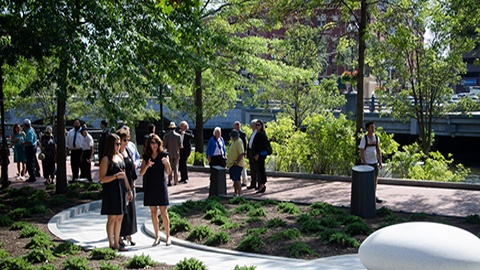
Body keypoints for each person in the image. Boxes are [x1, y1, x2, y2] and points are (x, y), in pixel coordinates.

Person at [99, 134, 133, 251]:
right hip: (111, 190)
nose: (119, 146)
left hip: (121, 189)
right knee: (112, 217)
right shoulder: (106, 159)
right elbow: (102, 178)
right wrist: (115, 176)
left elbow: (124, 176)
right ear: (110, 144)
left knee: (120, 216)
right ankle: (111, 243)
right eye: (116, 144)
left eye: (119, 144)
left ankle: (118, 242)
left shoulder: (120, 156)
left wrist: (129, 189)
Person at [139, 134, 172, 246]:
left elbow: (168, 172)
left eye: (156, 142)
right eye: (152, 143)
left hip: (161, 185)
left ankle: (168, 236)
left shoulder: (164, 155)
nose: (154, 145)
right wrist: (147, 165)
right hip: (150, 186)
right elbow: (141, 173)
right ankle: (157, 236)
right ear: (149, 144)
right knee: (153, 212)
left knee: (163, 212)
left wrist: (167, 164)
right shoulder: (146, 157)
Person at [116, 128, 138, 247]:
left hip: (130, 182)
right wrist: (128, 188)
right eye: (124, 140)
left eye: (127, 139)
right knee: (122, 211)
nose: (126, 142)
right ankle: (119, 236)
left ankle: (128, 234)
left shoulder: (128, 152)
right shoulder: (117, 154)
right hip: (121, 185)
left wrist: (133, 181)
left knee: (130, 211)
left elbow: (131, 169)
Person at [359, 121, 383, 203]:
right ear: (367, 129)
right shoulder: (364, 138)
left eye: (374, 127)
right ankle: (365, 196)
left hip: (374, 162)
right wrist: (364, 162)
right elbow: (361, 151)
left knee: (375, 180)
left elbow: (378, 149)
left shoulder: (376, 137)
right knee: (366, 181)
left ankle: (373, 196)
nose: (373, 129)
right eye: (371, 127)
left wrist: (380, 161)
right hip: (367, 163)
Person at [251, 120, 269, 194]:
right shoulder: (257, 134)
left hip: (261, 155)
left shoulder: (261, 134)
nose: (257, 126)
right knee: (259, 169)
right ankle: (261, 185)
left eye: (259, 125)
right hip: (257, 154)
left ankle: (262, 185)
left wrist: (257, 154)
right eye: (256, 125)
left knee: (261, 169)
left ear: (262, 126)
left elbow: (260, 146)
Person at [226, 130, 245, 196]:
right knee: (234, 179)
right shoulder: (234, 142)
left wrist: (237, 161)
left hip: (237, 164)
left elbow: (241, 153)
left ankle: (239, 193)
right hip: (232, 164)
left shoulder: (239, 142)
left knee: (237, 179)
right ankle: (235, 192)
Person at [163, 122, 181, 186]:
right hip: (176, 153)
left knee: (169, 167)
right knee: (176, 168)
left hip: (169, 153)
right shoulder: (178, 136)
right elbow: (180, 146)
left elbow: (164, 145)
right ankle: (176, 181)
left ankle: (169, 181)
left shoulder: (166, 136)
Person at [233, 121, 248, 187]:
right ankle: (237, 179)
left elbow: (245, 143)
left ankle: (244, 180)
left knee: (242, 167)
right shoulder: (233, 133)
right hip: (235, 153)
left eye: (235, 126)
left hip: (241, 152)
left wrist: (244, 152)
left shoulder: (242, 134)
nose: (234, 127)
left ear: (238, 126)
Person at [247, 119, 259, 190]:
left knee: (257, 169)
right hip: (251, 152)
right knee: (252, 169)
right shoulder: (253, 133)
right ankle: (253, 183)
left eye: (252, 125)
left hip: (255, 153)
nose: (251, 126)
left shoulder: (257, 133)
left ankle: (258, 183)